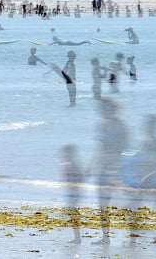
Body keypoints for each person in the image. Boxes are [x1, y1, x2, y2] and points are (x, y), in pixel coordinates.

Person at [90, 98, 128, 245]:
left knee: (124, 203)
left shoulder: (121, 126)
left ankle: (133, 235)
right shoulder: (103, 126)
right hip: (103, 168)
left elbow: (125, 147)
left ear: (113, 109)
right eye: (102, 109)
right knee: (103, 203)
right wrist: (91, 166)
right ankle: (105, 237)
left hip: (116, 168)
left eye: (105, 108)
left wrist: (120, 168)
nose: (102, 111)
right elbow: (100, 149)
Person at [60, 144, 84, 245]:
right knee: (72, 214)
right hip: (72, 193)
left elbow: (81, 178)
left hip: (74, 193)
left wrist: (74, 185)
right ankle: (77, 237)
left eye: (66, 153)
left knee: (73, 214)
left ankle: (77, 238)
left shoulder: (73, 164)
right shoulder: (68, 164)